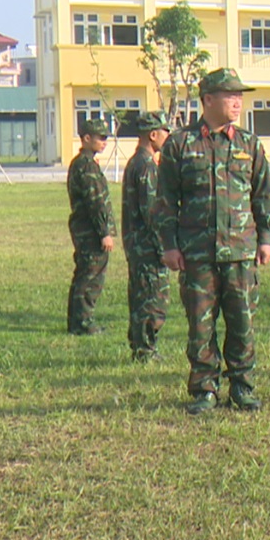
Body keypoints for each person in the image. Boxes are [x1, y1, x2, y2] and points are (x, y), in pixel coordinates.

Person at [154, 69, 270, 414]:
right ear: (208, 99)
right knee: (201, 324)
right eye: (229, 95)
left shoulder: (249, 144)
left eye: (240, 95)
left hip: (239, 251)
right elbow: (165, 200)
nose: (237, 101)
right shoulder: (180, 144)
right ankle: (204, 389)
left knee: (242, 322)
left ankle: (242, 385)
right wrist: (169, 245)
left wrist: (266, 239)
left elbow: (264, 195)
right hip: (197, 253)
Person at [121, 112, 171, 360]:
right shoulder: (147, 166)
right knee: (152, 299)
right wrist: (165, 246)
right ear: (153, 135)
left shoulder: (135, 162)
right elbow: (153, 212)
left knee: (142, 295)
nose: (167, 136)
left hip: (137, 243)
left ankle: (141, 347)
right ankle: (145, 349)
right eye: (165, 131)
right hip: (147, 246)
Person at [66, 118, 116, 336]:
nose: (104, 142)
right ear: (86, 139)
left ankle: (79, 321)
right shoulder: (85, 166)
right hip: (90, 230)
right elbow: (95, 202)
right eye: (100, 138)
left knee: (86, 274)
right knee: (90, 276)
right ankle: (82, 322)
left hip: (86, 228)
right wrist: (104, 232)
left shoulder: (86, 163)